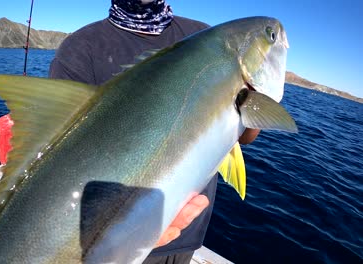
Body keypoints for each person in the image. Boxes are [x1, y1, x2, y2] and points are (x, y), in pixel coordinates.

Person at [49, 0, 260, 263]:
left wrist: (256, 94)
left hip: (186, 233)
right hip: (113, 238)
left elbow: (244, 137)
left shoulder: (205, 39)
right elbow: (55, 155)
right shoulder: (82, 47)